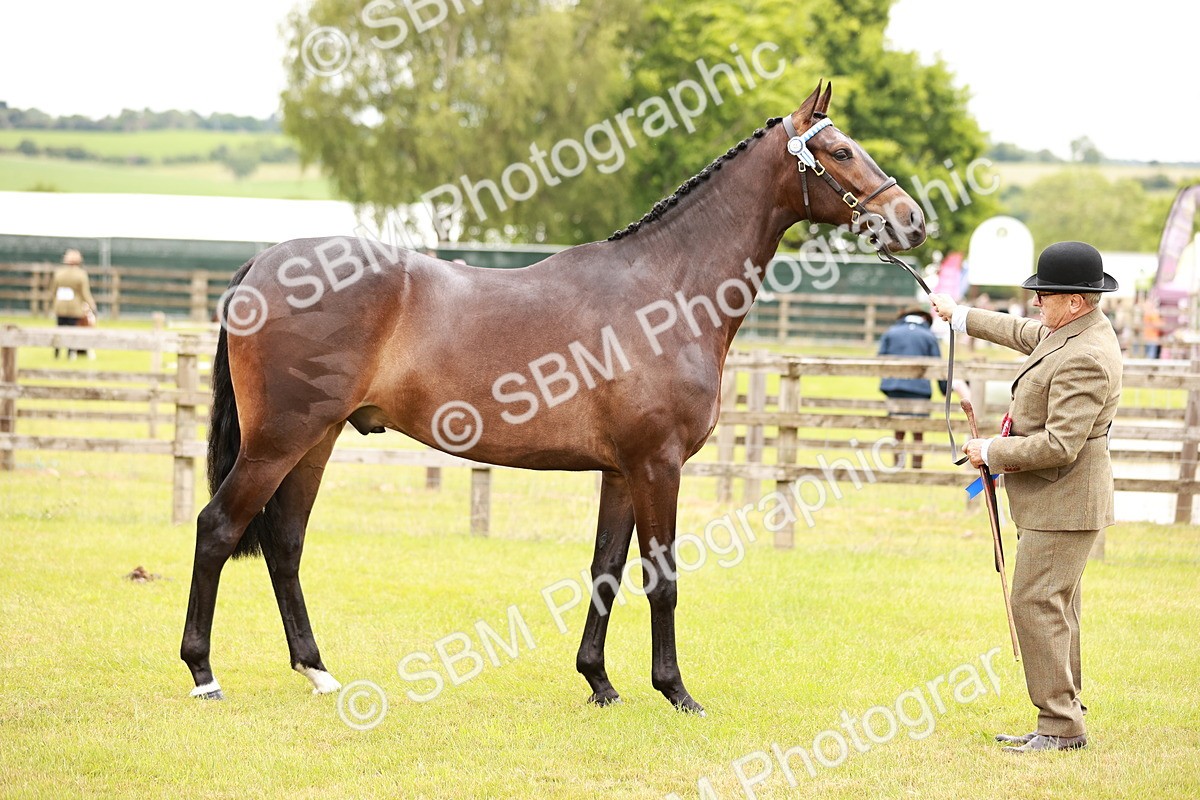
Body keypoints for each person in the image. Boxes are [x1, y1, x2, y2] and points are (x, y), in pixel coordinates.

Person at [929, 241, 1122, 754]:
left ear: (1076, 301)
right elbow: (1022, 333)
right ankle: (1066, 712)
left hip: (1065, 502)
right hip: (1058, 503)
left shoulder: (1086, 357)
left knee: (1034, 602)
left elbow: (1061, 445)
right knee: (1057, 605)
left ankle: (1059, 726)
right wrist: (961, 316)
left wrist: (991, 450)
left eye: (1044, 293)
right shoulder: (1071, 332)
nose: (1035, 301)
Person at [877, 306, 944, 469]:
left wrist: (887, 381)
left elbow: (880, 360)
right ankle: (916, 467)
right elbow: (939, 366)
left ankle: (897, 466)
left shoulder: (891, 332)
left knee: (898, 430)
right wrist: (943, 389)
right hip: (919, 390)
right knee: (918, 430)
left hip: (895, 387)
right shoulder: (928, 336)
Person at [48, 249, 97, 359]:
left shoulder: (59, 273)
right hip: (74, 308)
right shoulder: (81, 274)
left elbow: (53, 290)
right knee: (72, 330)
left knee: (59, 329)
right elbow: (85, 293)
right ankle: (70, 354)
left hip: (59, 306)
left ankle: (56, 352)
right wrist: (92, 305)